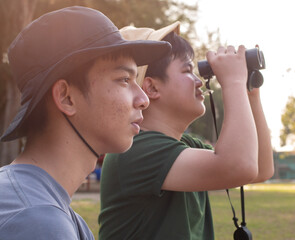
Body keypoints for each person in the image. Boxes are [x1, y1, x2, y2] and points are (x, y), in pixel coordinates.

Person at [0, 6, 171, 240]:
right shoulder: (37, 222)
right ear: (66, 97)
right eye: (124, 79)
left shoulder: (51, 212)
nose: (143, 100)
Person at [99, 22, 274, 240]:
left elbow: (260, 168)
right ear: (152, 88)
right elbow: (239, 166)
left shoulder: (187, 146)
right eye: (188, 70)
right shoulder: (134, 150)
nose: (199, 81)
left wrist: (250, 94)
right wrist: (233, 82)